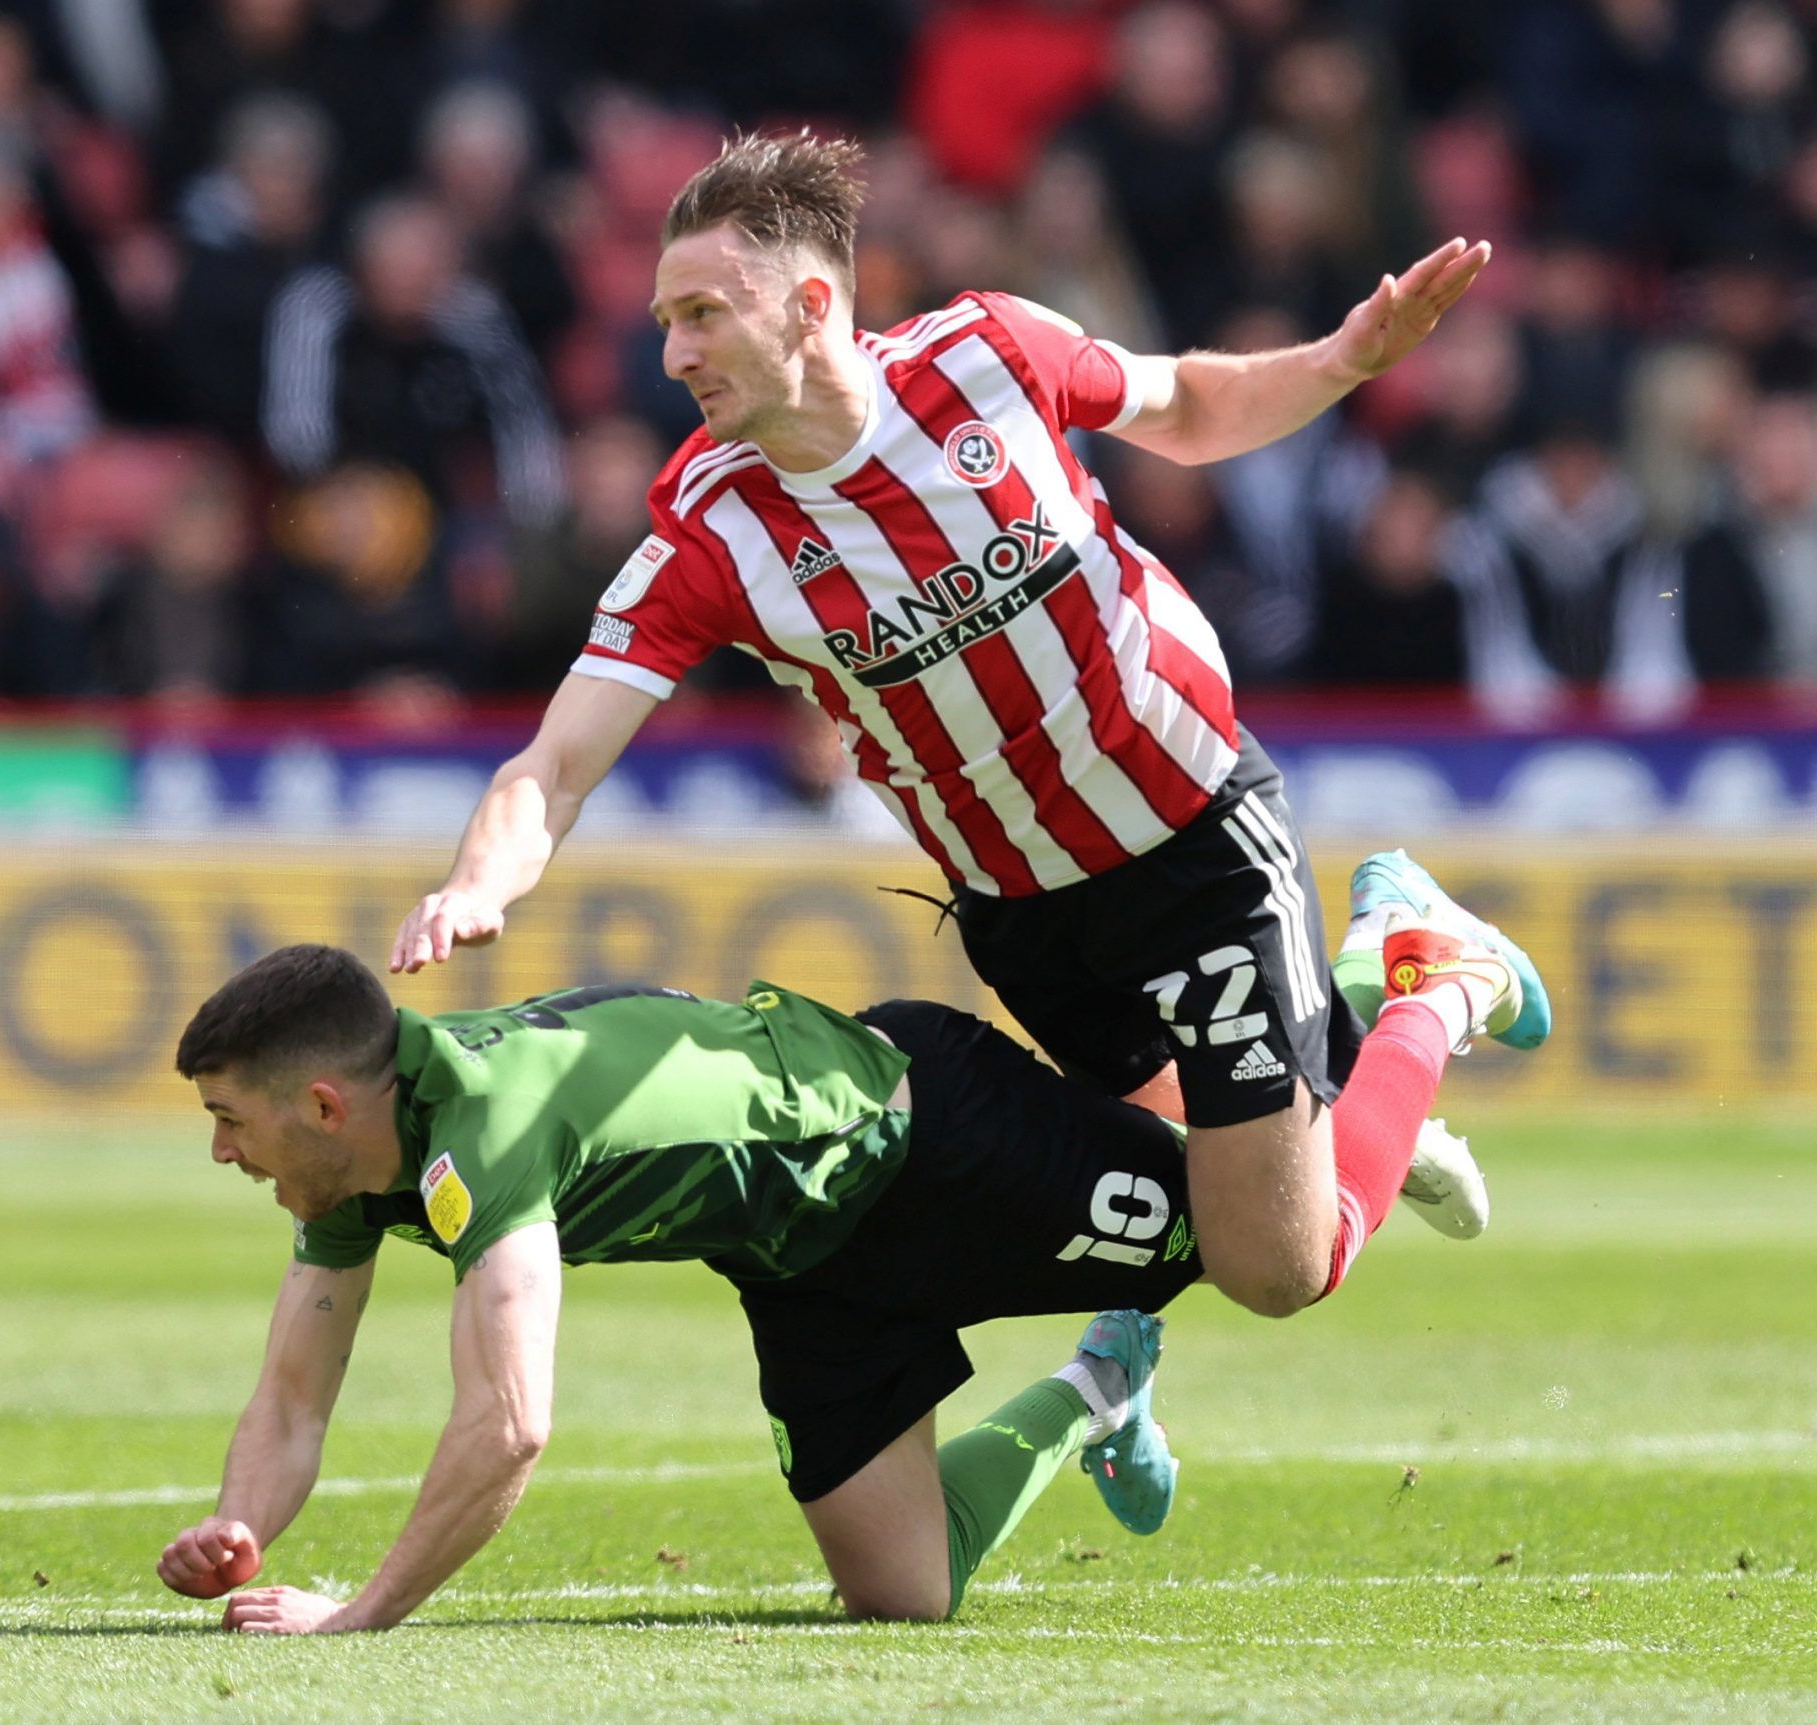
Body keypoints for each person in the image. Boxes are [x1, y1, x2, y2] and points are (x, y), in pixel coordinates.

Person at [390, 131, 1550, 1324]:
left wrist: (1341, 359)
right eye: (664, 321)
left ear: (809, 306)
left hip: (1192, 844)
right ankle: (1340, 1036)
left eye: (702, 315)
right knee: (1176, 1206)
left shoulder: (986, 356)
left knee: (1273, 1268)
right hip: (1024, 913)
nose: (674, 353)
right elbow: (554, 764)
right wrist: (479, 882)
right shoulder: (709, 533)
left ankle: (1431, 982)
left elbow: (1187, 405)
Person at [157, 902, 1519, 1632]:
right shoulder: (358, 1162)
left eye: (229, 1120)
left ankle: (1418, 983)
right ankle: (1105, 1379)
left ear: (321, 1104)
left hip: (928, 1143)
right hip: (800, 1262)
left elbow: (510, 1424)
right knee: (903, 1593)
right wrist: (240, 1529)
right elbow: (293, 1398)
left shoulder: (485, 1127)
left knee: (1288, 1245)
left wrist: (362, 1617)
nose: (222, 1152)